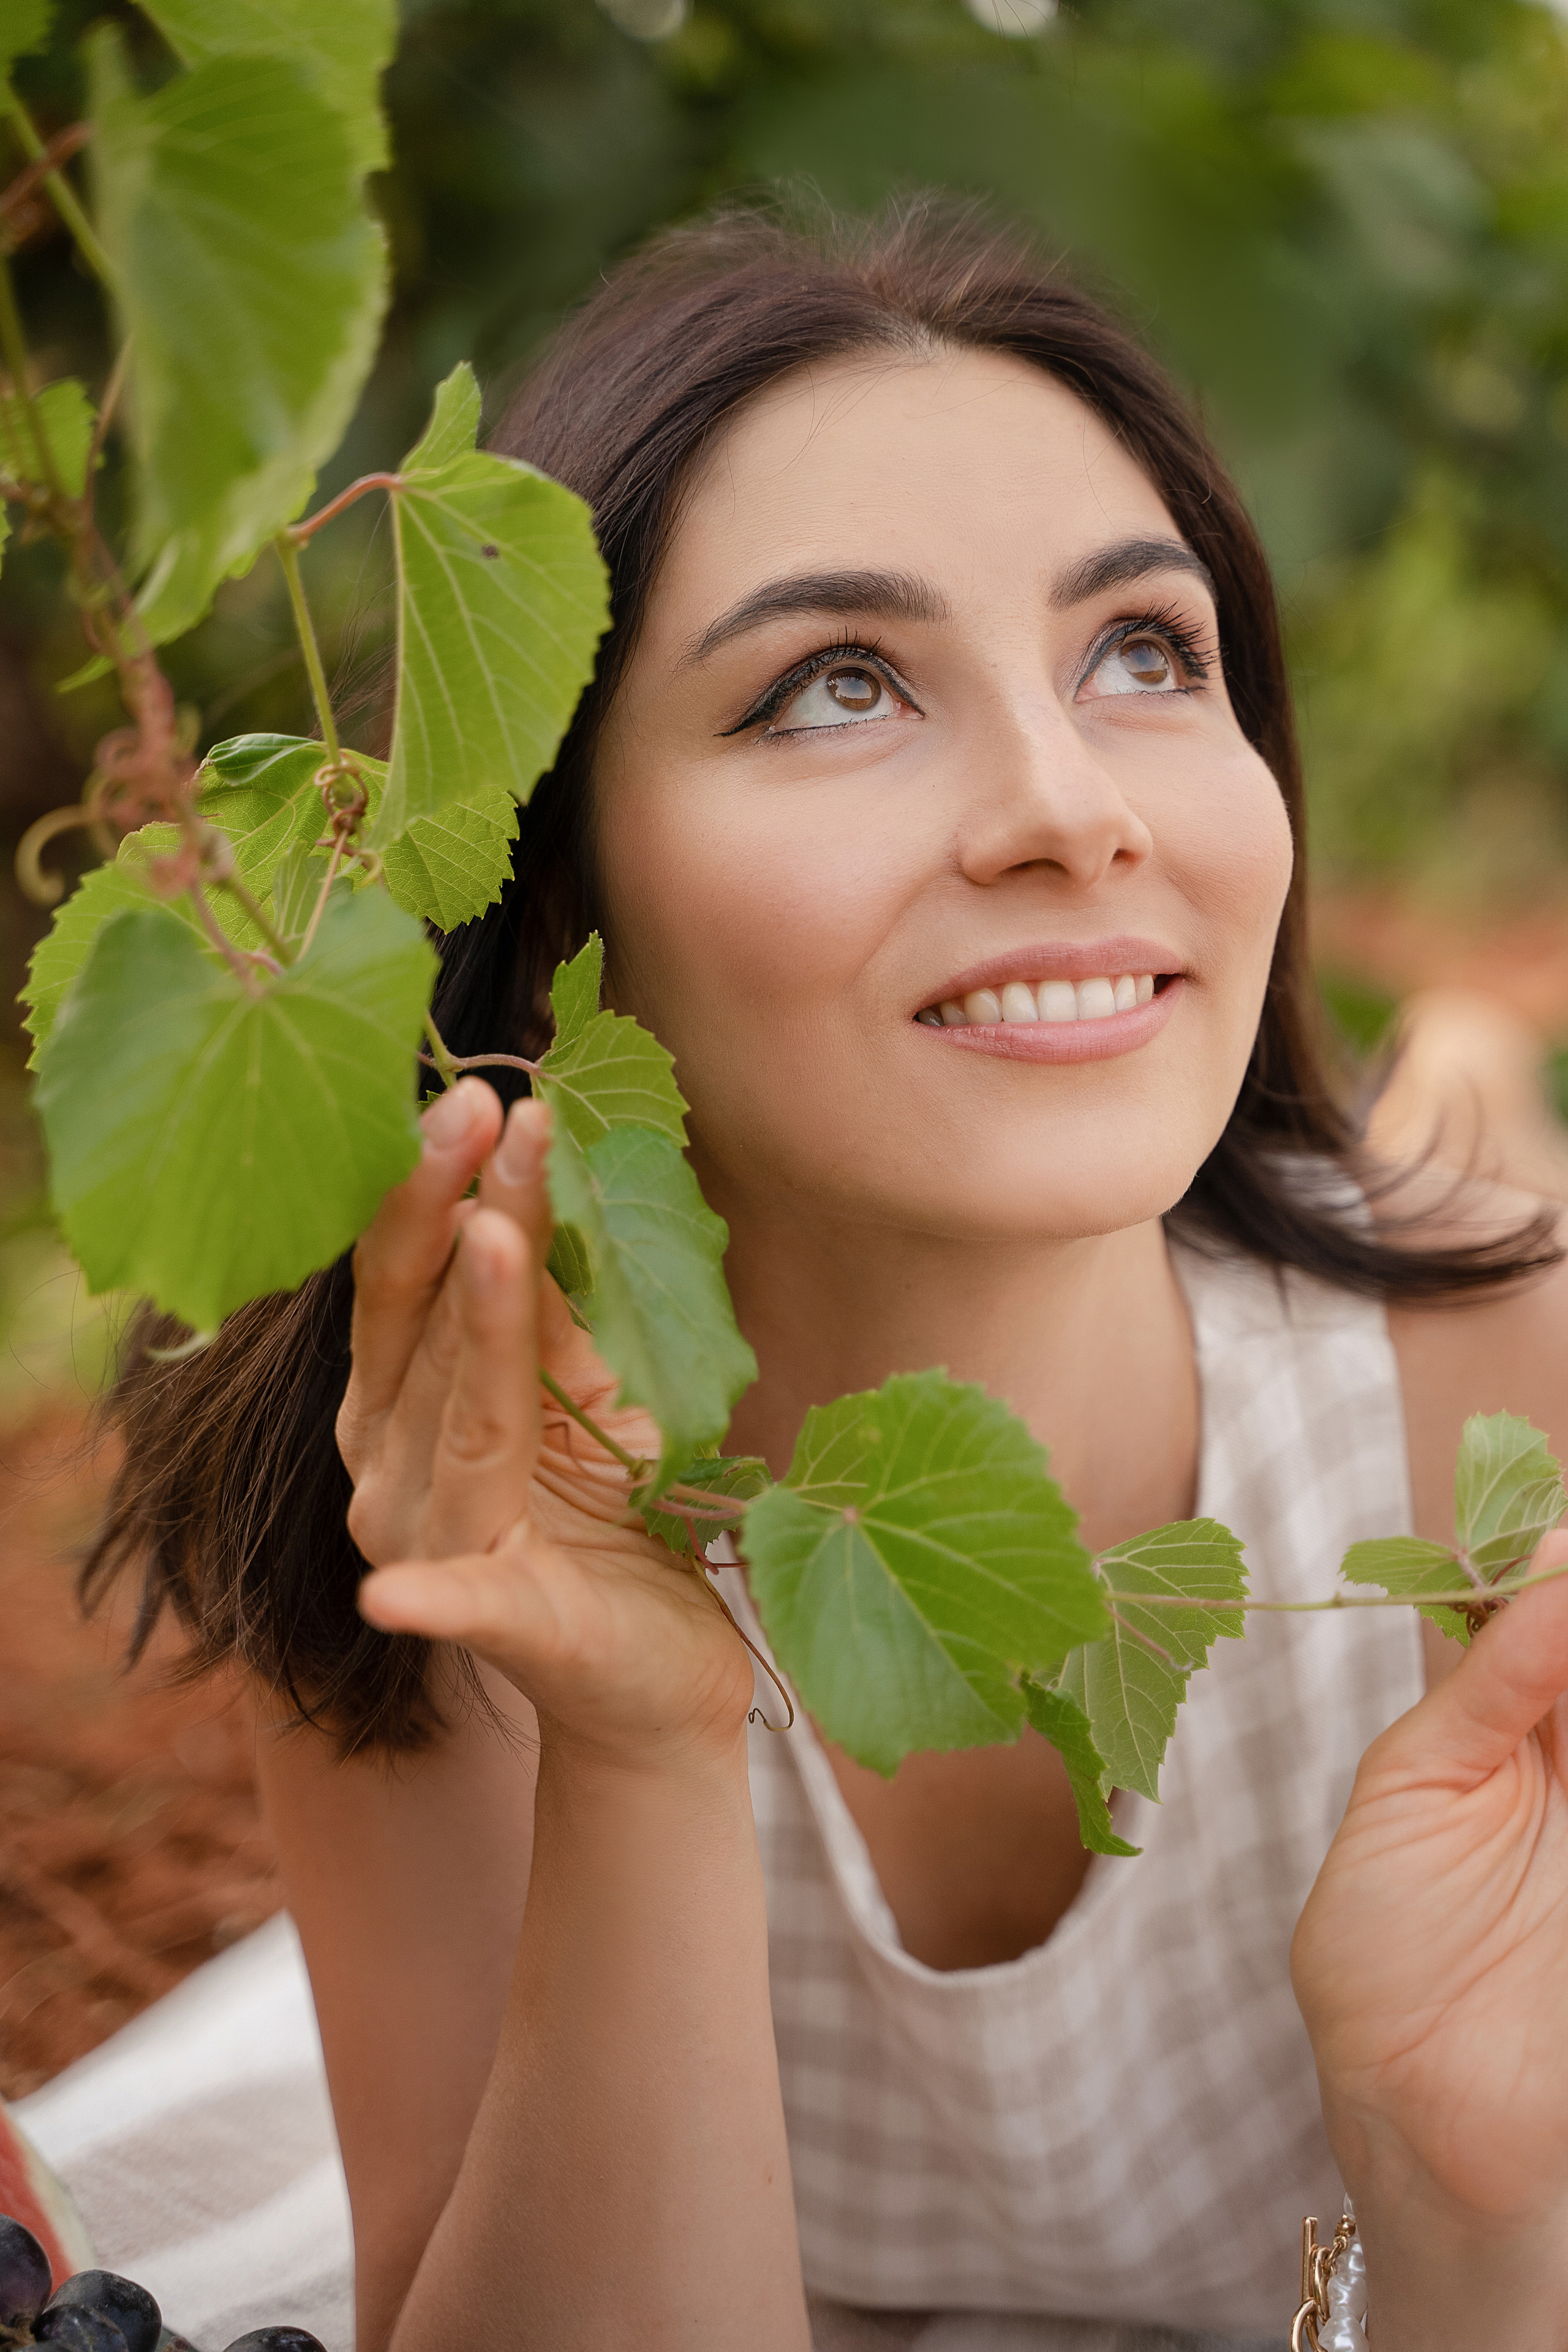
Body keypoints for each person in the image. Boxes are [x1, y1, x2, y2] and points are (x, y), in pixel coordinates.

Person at [89, 204, 1568, 2352]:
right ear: (555, 879)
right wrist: (644, 1750)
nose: (1069, 806)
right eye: (836, 686)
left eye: (1144, 653)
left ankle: (1470, 1066)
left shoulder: (1508, 1433)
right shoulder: (459, 1500)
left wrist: (1470, 2213)